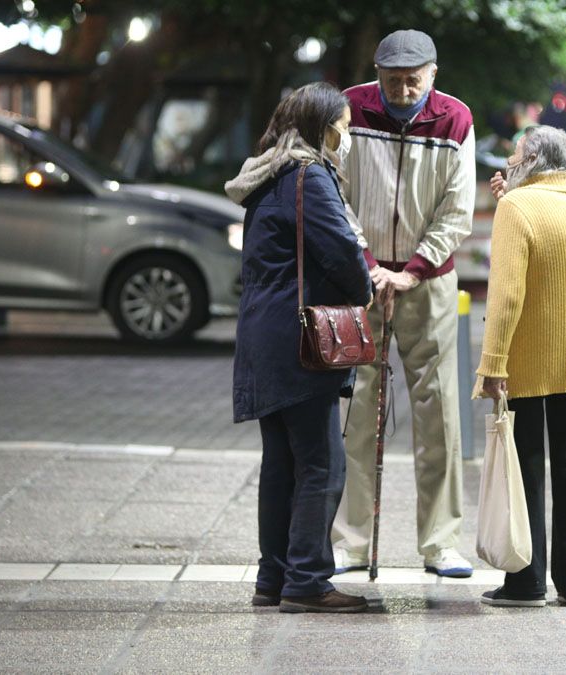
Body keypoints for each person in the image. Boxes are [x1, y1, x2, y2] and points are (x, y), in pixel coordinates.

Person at [331, 29, 478, 579]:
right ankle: (349, 542)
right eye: (392, 79)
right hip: (360, 280)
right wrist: (369, 264)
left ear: (433, 74)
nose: (403, 88)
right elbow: (335, 193)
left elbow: (458, 209)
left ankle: (441, 543)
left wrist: (413, 269)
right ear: (378, 74)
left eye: (413, 79)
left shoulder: (455, 119)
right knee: (355, 412)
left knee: (439, 415)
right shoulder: (350, 109)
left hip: (428, 282)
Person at [224, 82, 373, 613]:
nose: (346, 137)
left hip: (265, 333)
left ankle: (274, 578)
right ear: (323, 127)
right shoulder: (309, 176)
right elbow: (342, 252)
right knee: (322, 464)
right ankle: (307, 580)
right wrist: (365, 289)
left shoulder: (268, 174)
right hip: (301, 338)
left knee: (282, 463)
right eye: (344, 127)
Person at [476, 126, 566, 607]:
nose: (508, 163)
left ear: (532, 160)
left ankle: (526, 582)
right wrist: (511, 198)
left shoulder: (516, 207)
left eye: (515, 155)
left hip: (529, 352)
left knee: (525, 466)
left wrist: (492, 362)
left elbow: (507, 295)